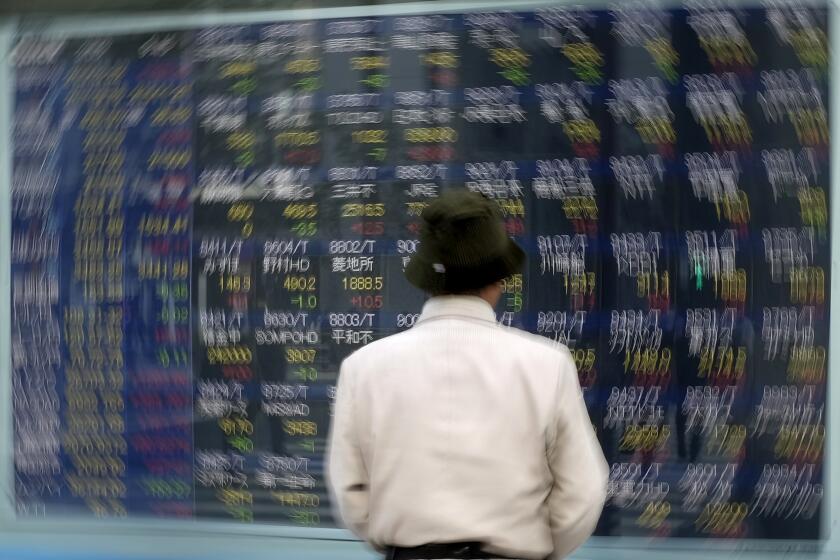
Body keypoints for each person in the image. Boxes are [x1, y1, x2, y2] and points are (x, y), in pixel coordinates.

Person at [327, 190, 609, 560]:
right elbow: (583, 491)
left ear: (426, 280)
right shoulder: (547, 363)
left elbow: (350, 491)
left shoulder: (363, 368)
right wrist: (535, 548)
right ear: (499, 279)